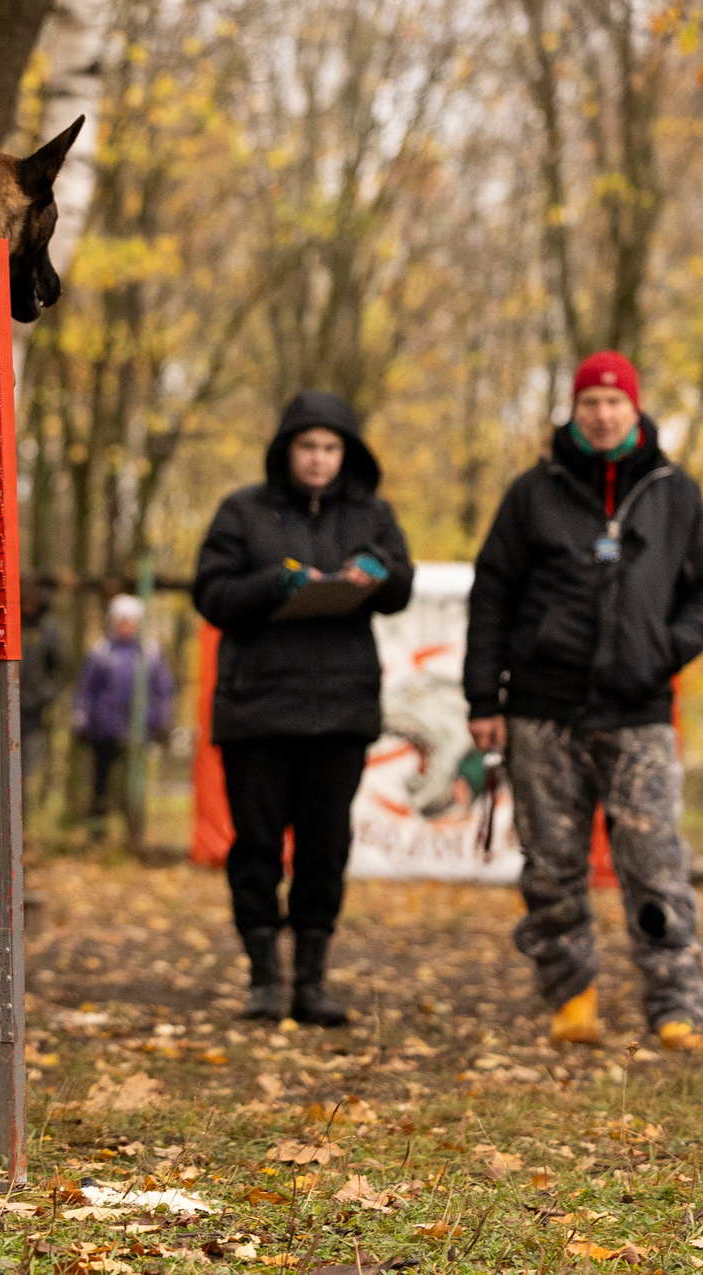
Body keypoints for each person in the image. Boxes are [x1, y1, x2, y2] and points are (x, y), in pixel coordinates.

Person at [464, 351, 703, 1053]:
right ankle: (571, 993)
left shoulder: (674, 492)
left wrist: (665, 649)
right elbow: (491, 594)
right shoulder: (533, 492)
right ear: (575, 410)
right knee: (552, 865)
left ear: (635, 409)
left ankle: (676, 1005)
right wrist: (481, 693)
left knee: (655, 865)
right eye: (591, 402)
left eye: (616, 401)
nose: (603, 413)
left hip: (639, 711)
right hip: (542, 709)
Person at [192, 391, 414, 1027]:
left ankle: (312, 981)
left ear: (347, 454)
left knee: (325, 847)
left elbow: (401, 586)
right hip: (256, 711)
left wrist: (378, 572)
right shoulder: (242, 512)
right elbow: (212, 594)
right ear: (286, 451)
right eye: (307, 446)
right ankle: (265, 977)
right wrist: (275, 584)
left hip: (340, 713)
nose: (318, 460)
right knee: (256, 846)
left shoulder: (373, 514)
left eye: (330, 448)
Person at [70, 596, 174, 836]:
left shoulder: (150, 653)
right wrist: (83, 717)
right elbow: (87, 690)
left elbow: (162, 691)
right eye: (121, 620)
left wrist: (160, 722)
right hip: (104, 731)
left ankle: (133, 838)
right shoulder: (101, 652)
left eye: (130, 620)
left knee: (134, 787)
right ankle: (97, 835)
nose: (125, 625)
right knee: (101, 784)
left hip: (139, 732)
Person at [18, 599, 70, 813]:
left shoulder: (50, 630)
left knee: (26, 771)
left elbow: (62, 669)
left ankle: (25, 820)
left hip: (33, 714)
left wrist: (43, 695)